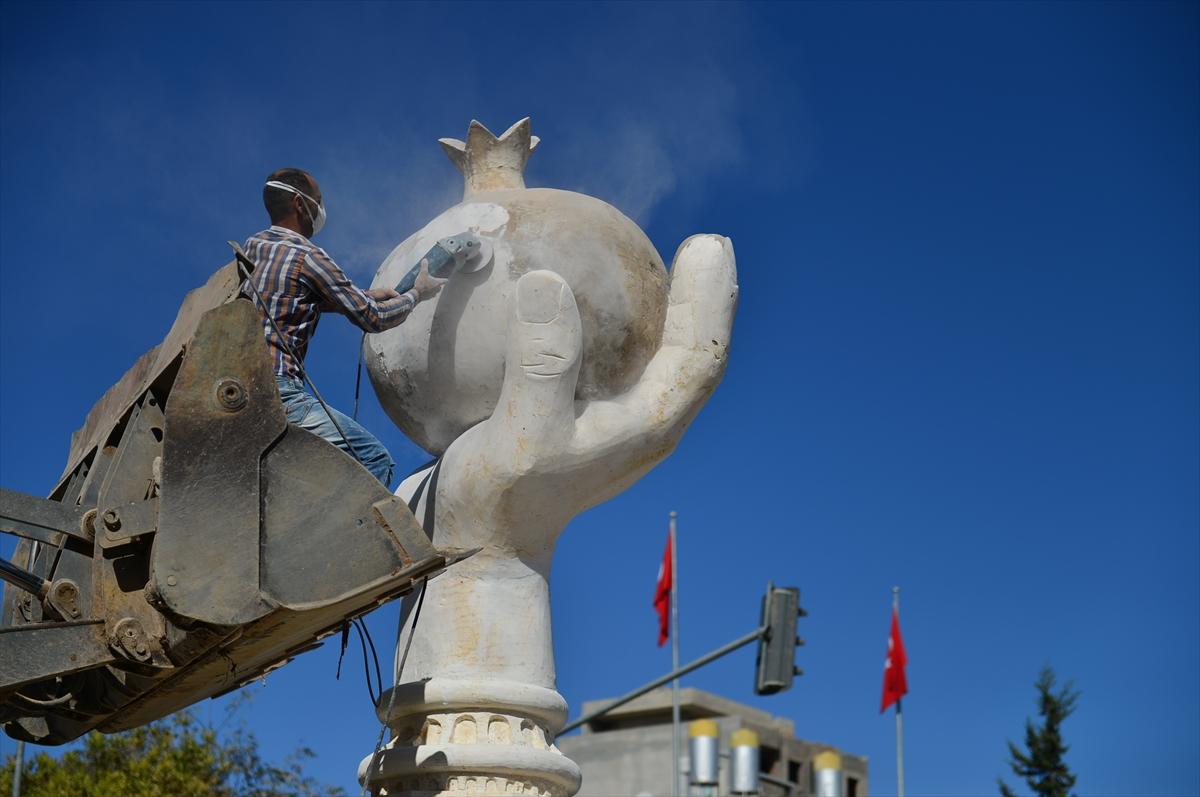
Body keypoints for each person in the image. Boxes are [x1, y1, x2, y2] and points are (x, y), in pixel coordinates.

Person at [241, 168, 444, 487]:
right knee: (373, 459)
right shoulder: (307, 256)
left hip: (238, 387)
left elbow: (287, 297)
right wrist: (418, 293)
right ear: (299, 203)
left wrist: (362, 294)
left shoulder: (252, 249)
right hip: (278, 392)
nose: (320, 211)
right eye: (318, 202)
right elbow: (372, 318)